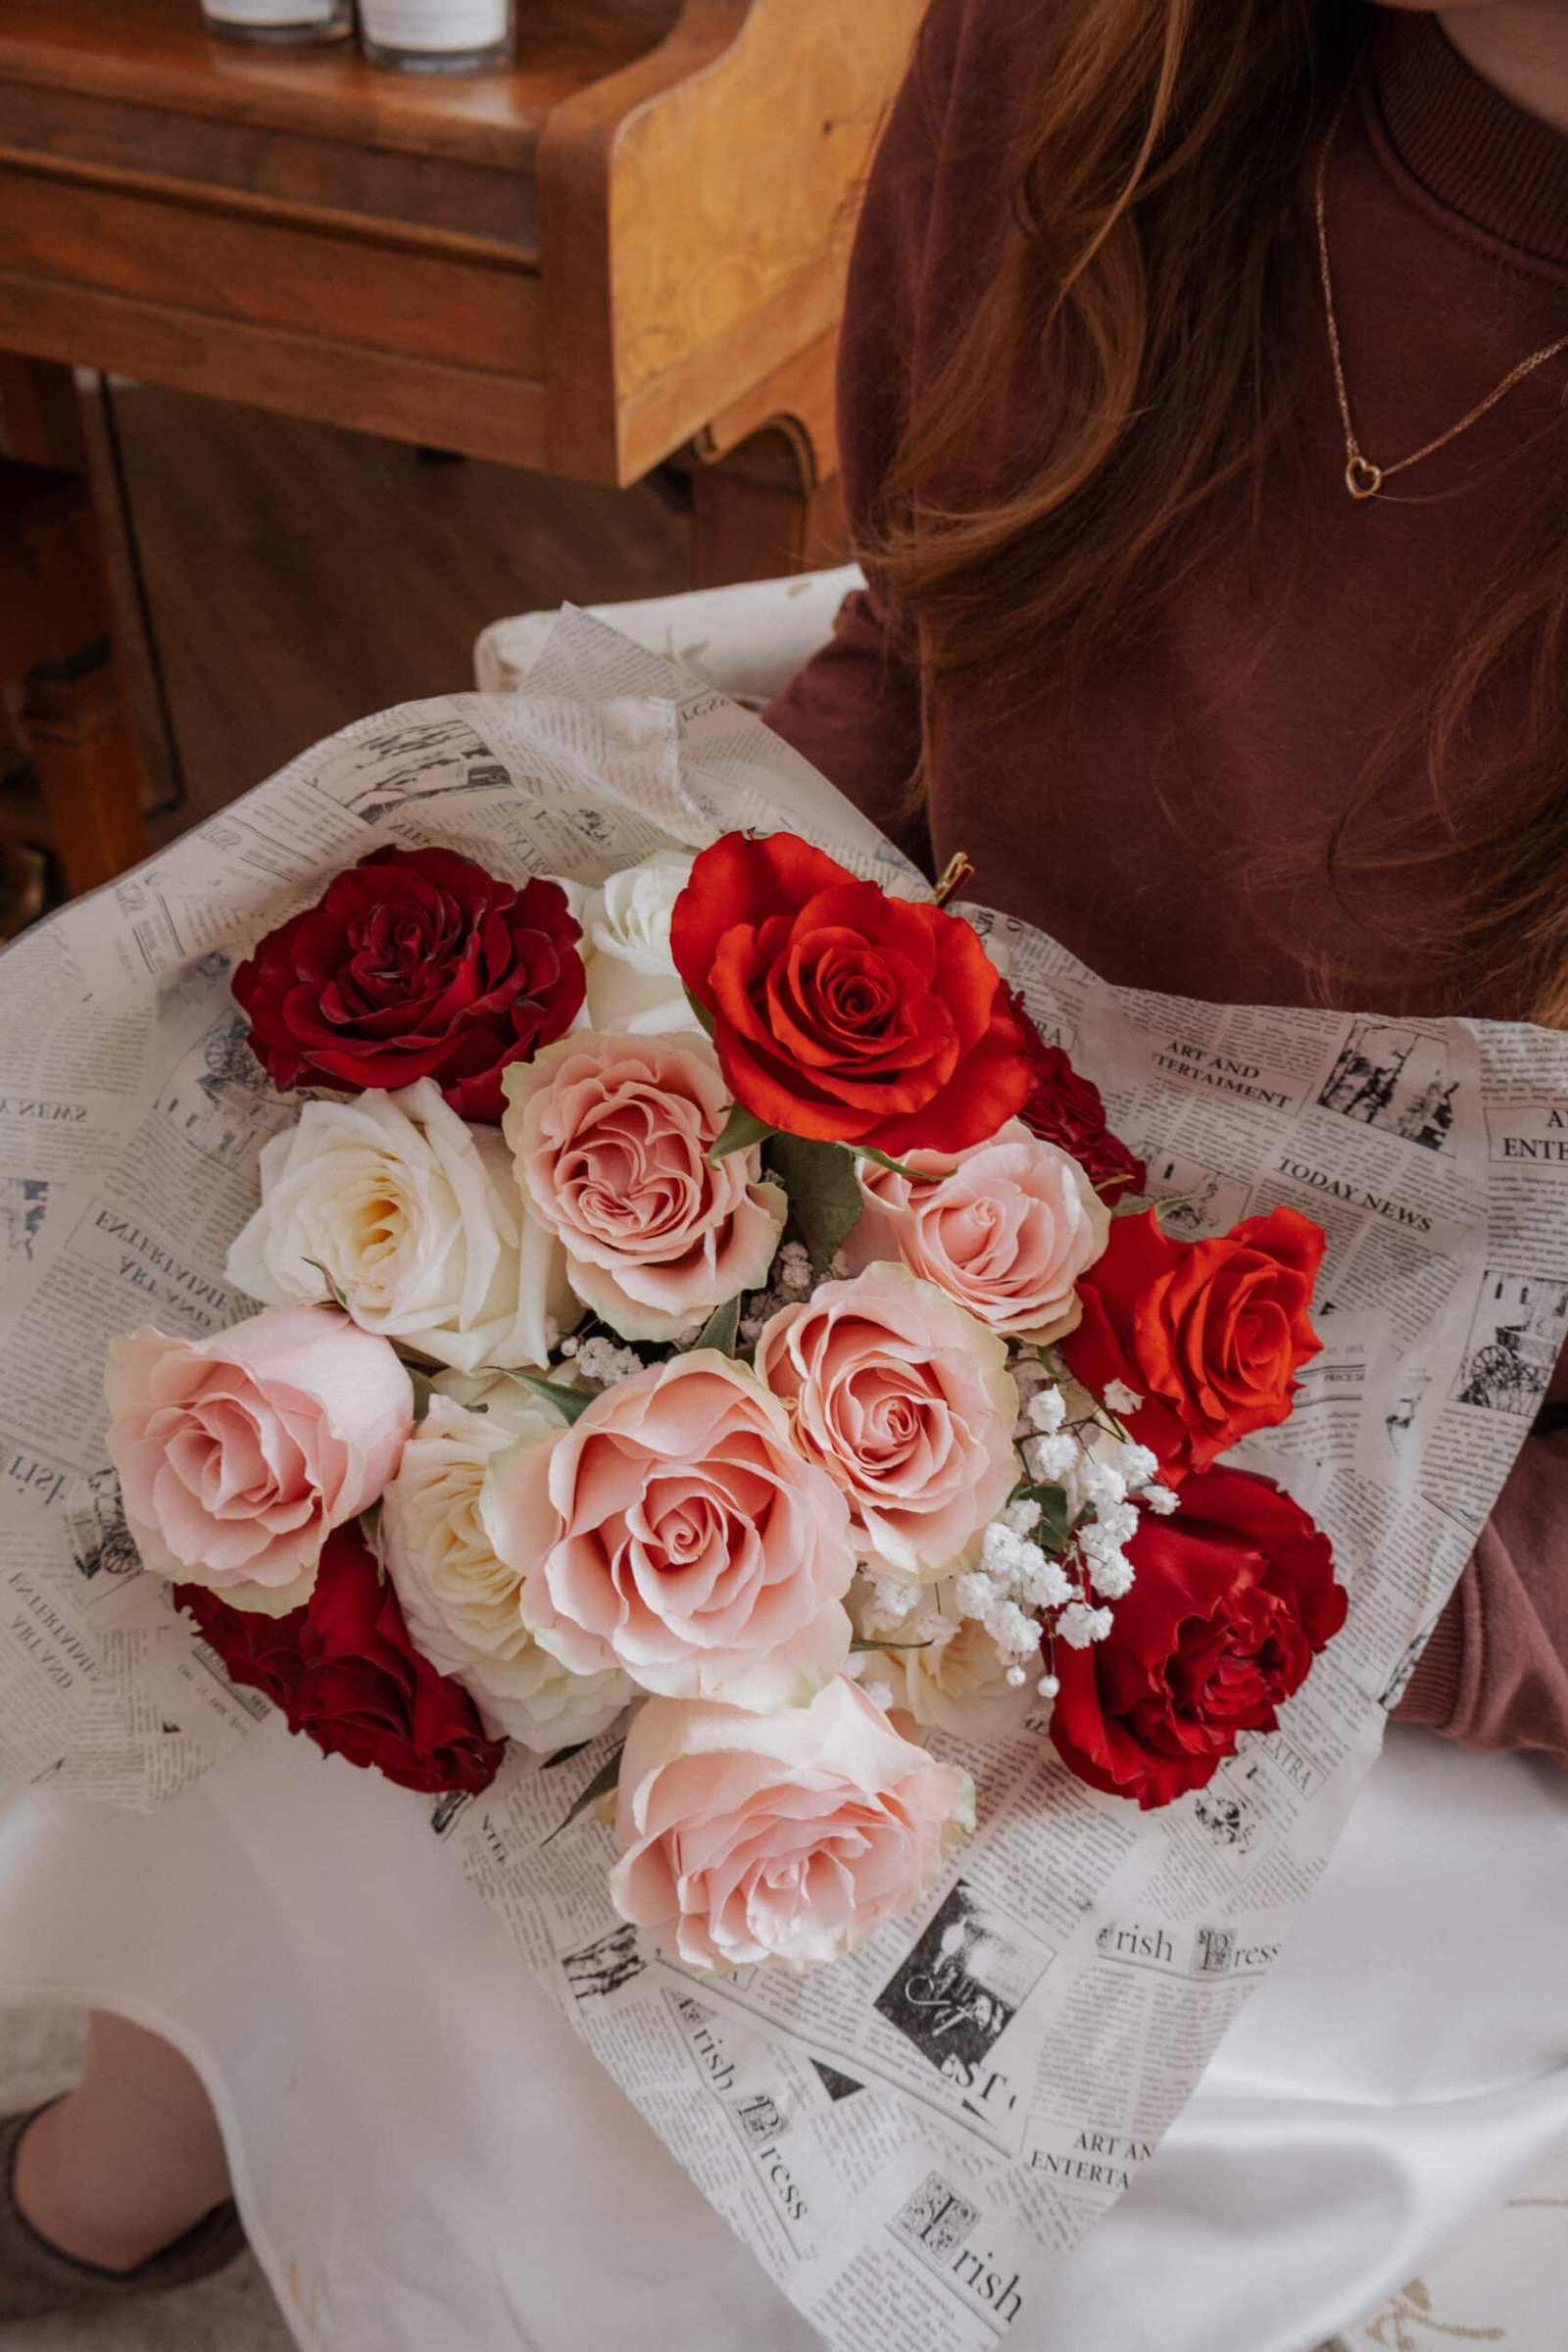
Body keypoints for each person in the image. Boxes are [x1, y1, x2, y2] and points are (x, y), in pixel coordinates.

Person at [6, 0, 1568, 2325]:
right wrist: (683, 1024)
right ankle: (172, 2122)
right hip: (938, 1264)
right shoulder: (1085, 49)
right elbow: (927, 639)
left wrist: (1117, 1549)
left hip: (1412, 1590)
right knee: (301, 1504)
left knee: (651, 1965)